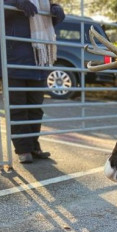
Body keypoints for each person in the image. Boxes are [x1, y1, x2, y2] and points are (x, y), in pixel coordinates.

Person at [0, 0, 65, 163]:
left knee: (35, 109)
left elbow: (50, 23)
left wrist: (56, 10)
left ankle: (34, 146)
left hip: (39, 64)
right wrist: (15, 3)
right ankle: (23, 150)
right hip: (14, 63)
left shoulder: (43, 2)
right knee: (18, 109)